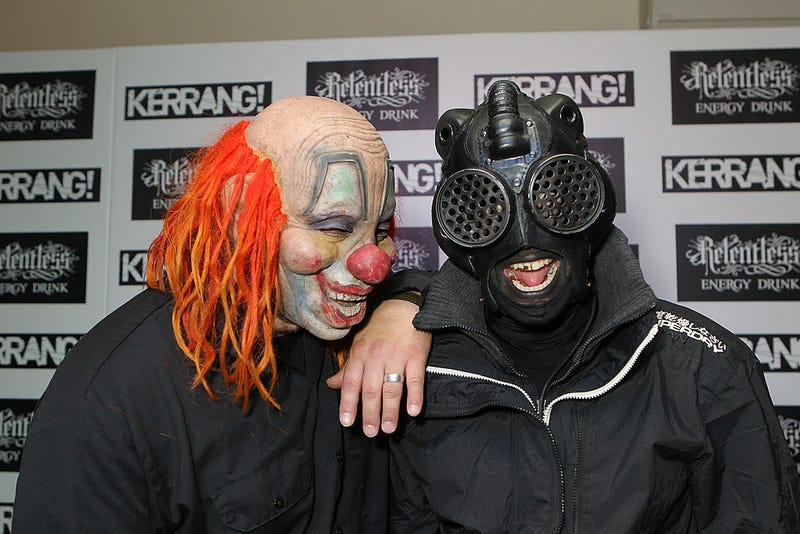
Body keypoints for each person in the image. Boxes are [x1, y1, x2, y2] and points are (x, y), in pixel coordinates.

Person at [388, 80, 800, 533]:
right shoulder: (411, 376)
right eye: (488, 208)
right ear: (458, 229)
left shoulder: (701, 366)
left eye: (553, 197)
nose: (524, 239)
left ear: (590, 207)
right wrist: (401, 302)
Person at [13, 95, 428, 533]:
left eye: (379, 231)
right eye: (333, 228)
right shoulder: (110, 403)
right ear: (240, 214)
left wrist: (408, 305)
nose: (373, 264)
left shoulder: (353, 320)